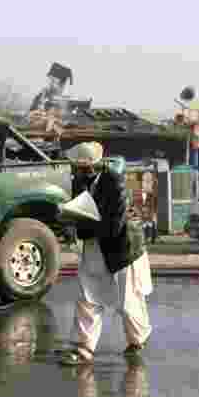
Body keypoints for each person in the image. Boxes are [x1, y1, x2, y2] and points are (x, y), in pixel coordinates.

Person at [60, 141, 152, 364]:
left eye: (81, 166)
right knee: (88, 297)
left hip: (122, 247)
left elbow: (114, 226)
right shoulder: (79, 182)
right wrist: (71, 224)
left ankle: (138, 339)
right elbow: (80, 213)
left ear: (92, 166)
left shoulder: (114, 182)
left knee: (127, 303)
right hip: (95, 244)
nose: (78, 170)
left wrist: (83, 227)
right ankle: (84, 347)